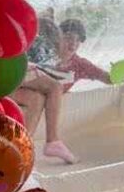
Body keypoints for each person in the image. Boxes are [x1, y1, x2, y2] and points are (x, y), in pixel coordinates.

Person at [11, 17, 78, 164]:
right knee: (55, 87)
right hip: (3, 76)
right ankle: (53, 140)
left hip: (8, 82)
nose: (72, 45)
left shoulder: (77, 61)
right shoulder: (29, 47)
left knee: (36, 98)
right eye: (68, 39)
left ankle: (21, 147)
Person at [57, 18, 111, 89]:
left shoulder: (80, 65)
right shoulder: (45, 57)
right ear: (57, 38)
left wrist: (121, 72)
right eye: (69, 37)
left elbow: (109, 79)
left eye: (78, 40)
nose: (73, 43)